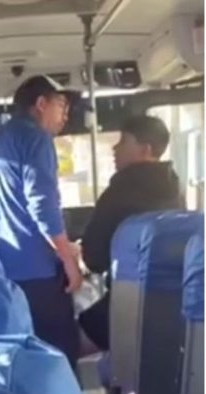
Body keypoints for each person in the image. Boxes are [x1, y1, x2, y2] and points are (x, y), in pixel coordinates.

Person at [0, 75, 83, 370]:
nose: (65, 115)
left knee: (21, 361)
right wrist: (68, 260)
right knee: (58, 358)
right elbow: (43, 207)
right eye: (61, 106)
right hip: (39, 275)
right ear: (41, 104)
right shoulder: (36, 138)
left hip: (1, 275)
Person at [78, 115, 183, 352]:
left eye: (124, 142)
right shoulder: (175, 191)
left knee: (65, 340)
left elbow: (94, 258)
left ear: (145, 150)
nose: (115, 149)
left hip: (128, 302)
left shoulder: (119, 192)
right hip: (174, 302)